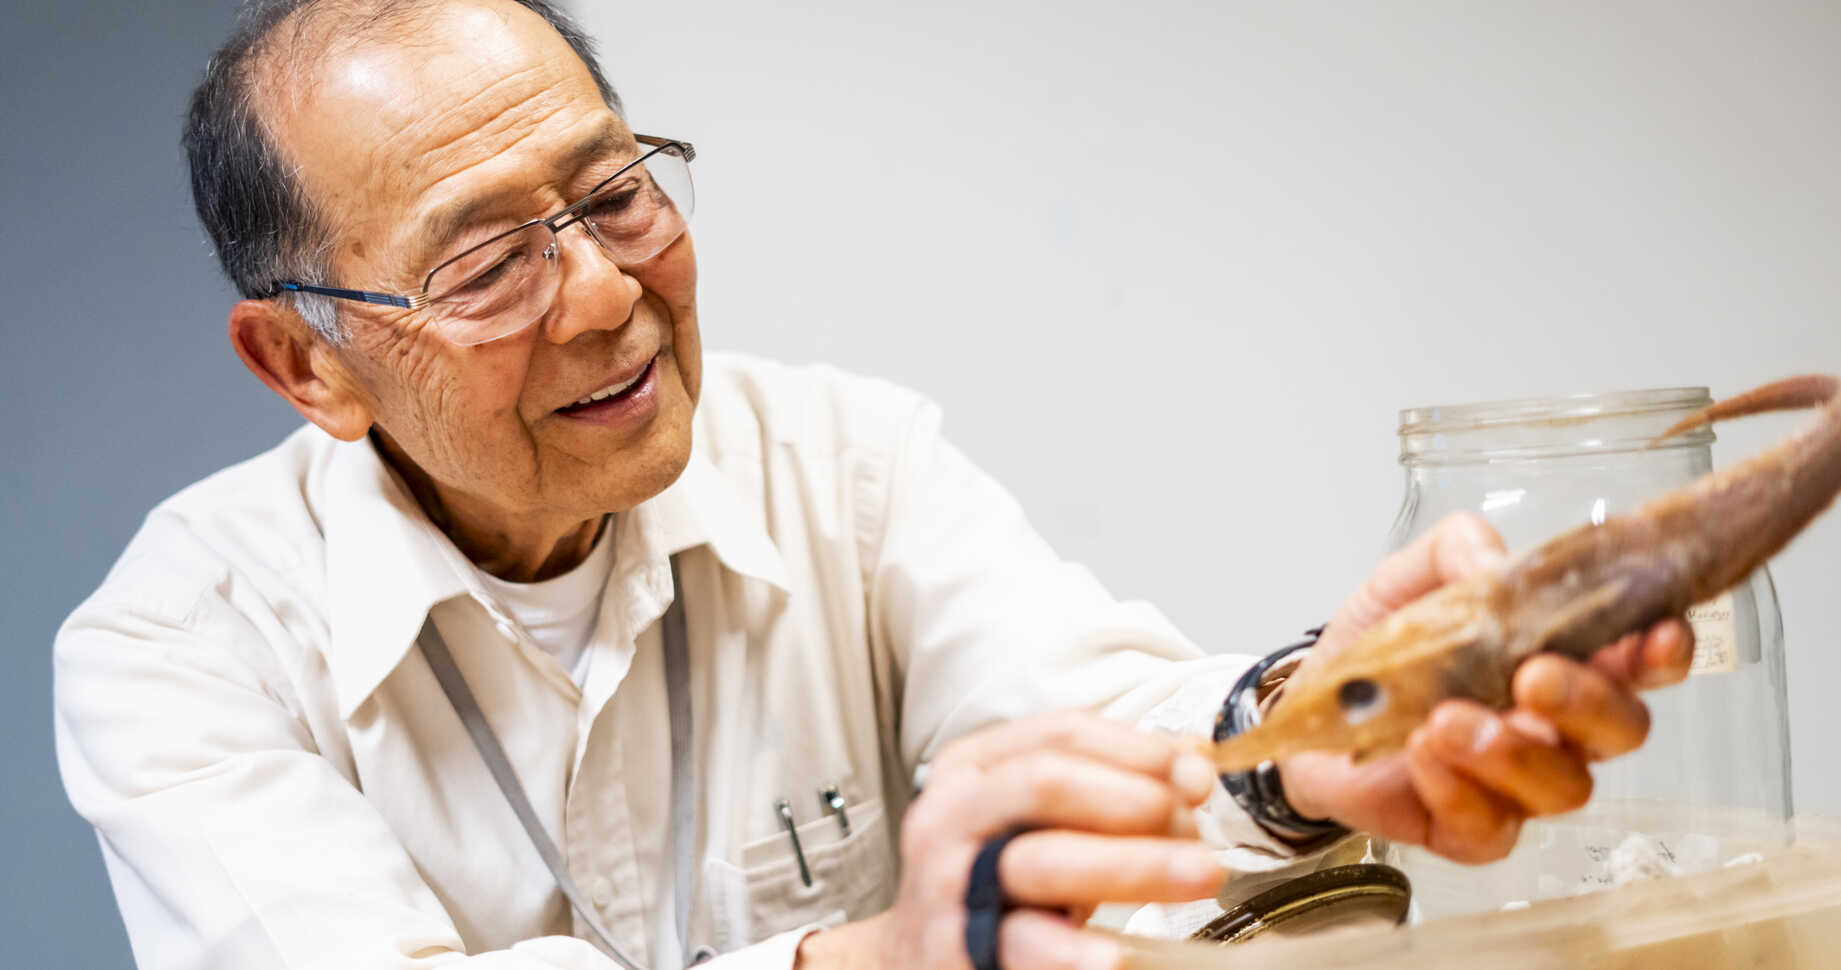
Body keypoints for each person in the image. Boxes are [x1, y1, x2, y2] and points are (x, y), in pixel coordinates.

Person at [51, 2, 1696, 968]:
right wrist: (880, 953)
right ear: (306, 364)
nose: (613, 292)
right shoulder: (171, 648)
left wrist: (1327, 719)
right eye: (486, 263)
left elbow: (1101, 716)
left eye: (615, 193)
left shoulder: (849, 460)